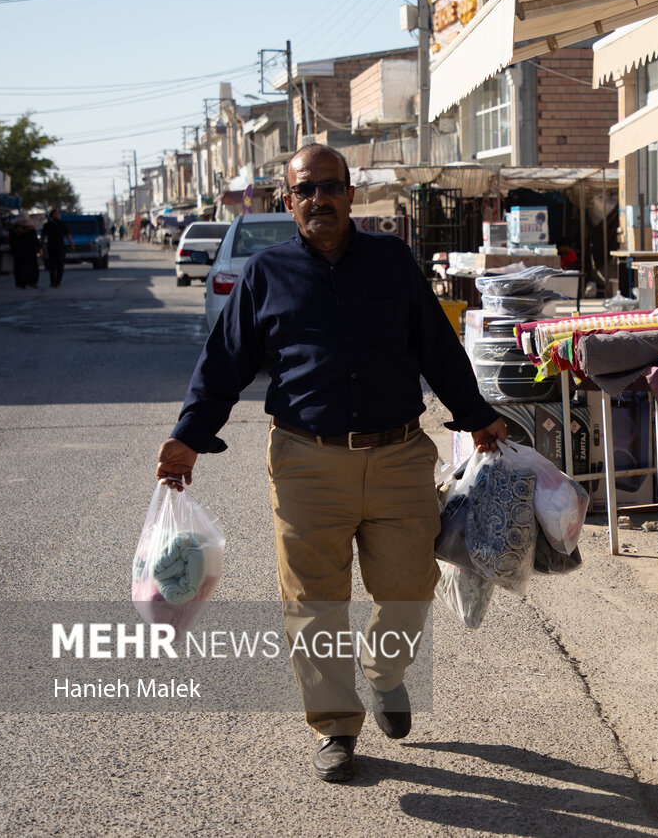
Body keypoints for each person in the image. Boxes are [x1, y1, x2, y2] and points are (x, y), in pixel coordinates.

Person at [155, 143, 507, 784]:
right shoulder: (266, 274)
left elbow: (437, 346)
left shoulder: (393, 262)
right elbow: (224, 363)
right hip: (305, 463)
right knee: (313, 601)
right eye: (305, 190)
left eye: (331, 187)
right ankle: (338, 728)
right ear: (289, 202)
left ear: (350, 194)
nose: (320, 199)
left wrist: (475, 413)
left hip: (399, 456)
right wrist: (188, 436)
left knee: (409, 590)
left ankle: (385, 674)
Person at [40, 208, 74, 289]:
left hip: (51, 247)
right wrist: (72, 245)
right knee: (60, 265)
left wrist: (42, 247)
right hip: (60, 247)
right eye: (58, 213)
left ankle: (53, 282)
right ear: (54, 215)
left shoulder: (47, 225)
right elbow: (68, 236)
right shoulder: (62, 224)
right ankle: (57, 282)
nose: (59, 214)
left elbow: (43, 237)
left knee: (52, 265)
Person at [10, 217, 41, 289]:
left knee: (20, 268)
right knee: (32, 268)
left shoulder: (14, 230)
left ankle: (22, 283)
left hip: (19, 252)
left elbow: (12, 242)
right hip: (30, 252)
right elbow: (35, 241)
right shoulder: (31, 230)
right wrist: (39, 248)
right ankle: (32, 282)